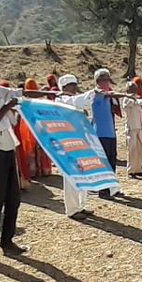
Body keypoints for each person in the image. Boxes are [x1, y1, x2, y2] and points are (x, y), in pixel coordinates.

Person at [0, 58, 48, 265]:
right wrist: (6, 108)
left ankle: (8, 242)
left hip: (8, 148)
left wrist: (51, 94)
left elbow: (22, 94)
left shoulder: (1, 92)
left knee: (13, 199)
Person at [56, 74, 99, 219]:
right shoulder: (61, 99)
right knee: (71, 178)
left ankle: (80, 205)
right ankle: (72, 210)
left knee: (82, 175)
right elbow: (74, 101)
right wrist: (92, 91)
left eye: (75, 84)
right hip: (67, 143)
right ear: (64, 87)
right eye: (71, 85)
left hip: (79, 141)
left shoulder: (72, 100)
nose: (74, 87)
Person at [90, 68, 124, 199]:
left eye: (107, 79)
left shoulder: (109, 97)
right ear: (97, 81)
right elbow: (104, 93)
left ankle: (111, 188)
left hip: (110, 133)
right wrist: (125, 95)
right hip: (101, 134)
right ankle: (103, 190)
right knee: (103, 163)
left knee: (112, 161)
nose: (106, 82)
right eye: (103, 80)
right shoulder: (97, 94)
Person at [17, 79, 53, 180]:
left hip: (29, 130)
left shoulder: (24, 101)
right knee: (41, 149)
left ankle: (33, 171)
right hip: (41, 129)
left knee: (31, 149)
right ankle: (44, 170)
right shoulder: (41, 100)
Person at [121, 80, 142, 178]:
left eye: (135, 89)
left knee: (140, 149)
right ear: (128, 90)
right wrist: (135, 98)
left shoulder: (136, 99)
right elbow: (130, 103)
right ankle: (131, 170)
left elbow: (141, 102)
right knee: (132, 150)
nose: (134, 91)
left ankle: (138, 169)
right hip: (131, 128)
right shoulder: (127, 99)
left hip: (139, 128)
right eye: (132, 89)